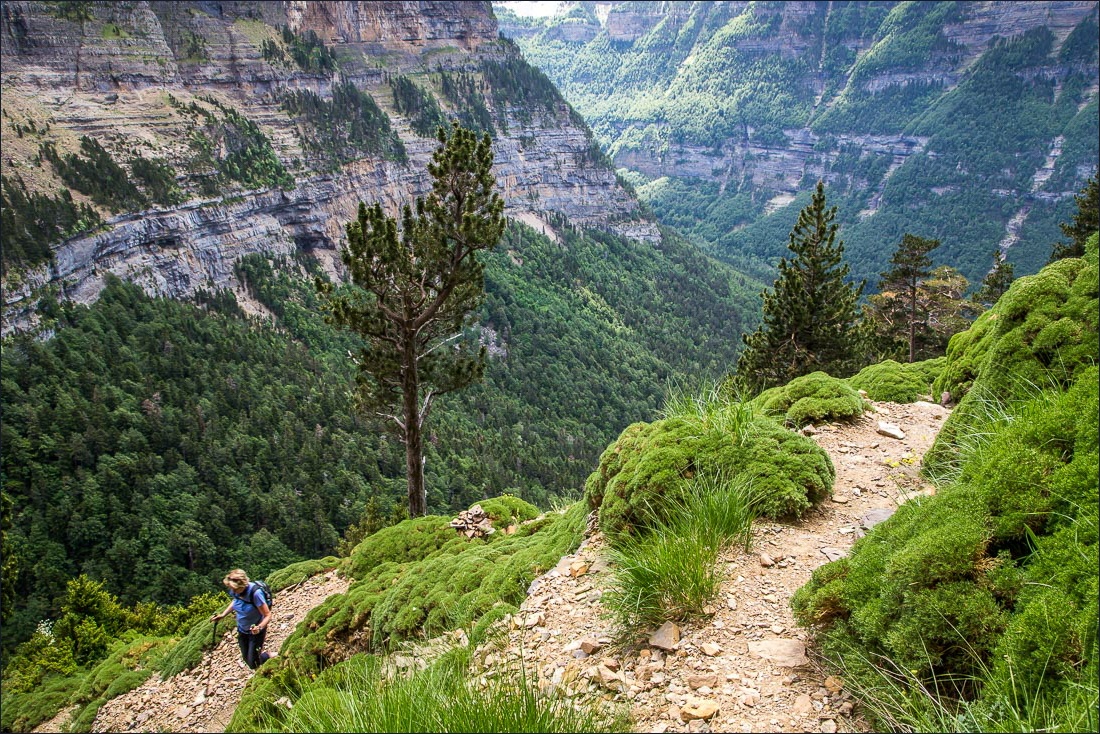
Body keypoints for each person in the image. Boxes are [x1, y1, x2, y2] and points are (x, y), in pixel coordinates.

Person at [210, 569, 274, 669]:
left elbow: (267, 615)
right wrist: (223, 615)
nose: (232, 591)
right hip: (242, 629)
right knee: (246, 658)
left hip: (255, 632)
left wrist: (259, 627)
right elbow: (236, 601)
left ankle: (270, 656)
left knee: (253, 663)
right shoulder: (237, 592)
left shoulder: (255, 594)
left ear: (242, 585)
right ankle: (262, 660)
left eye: (234, 589)